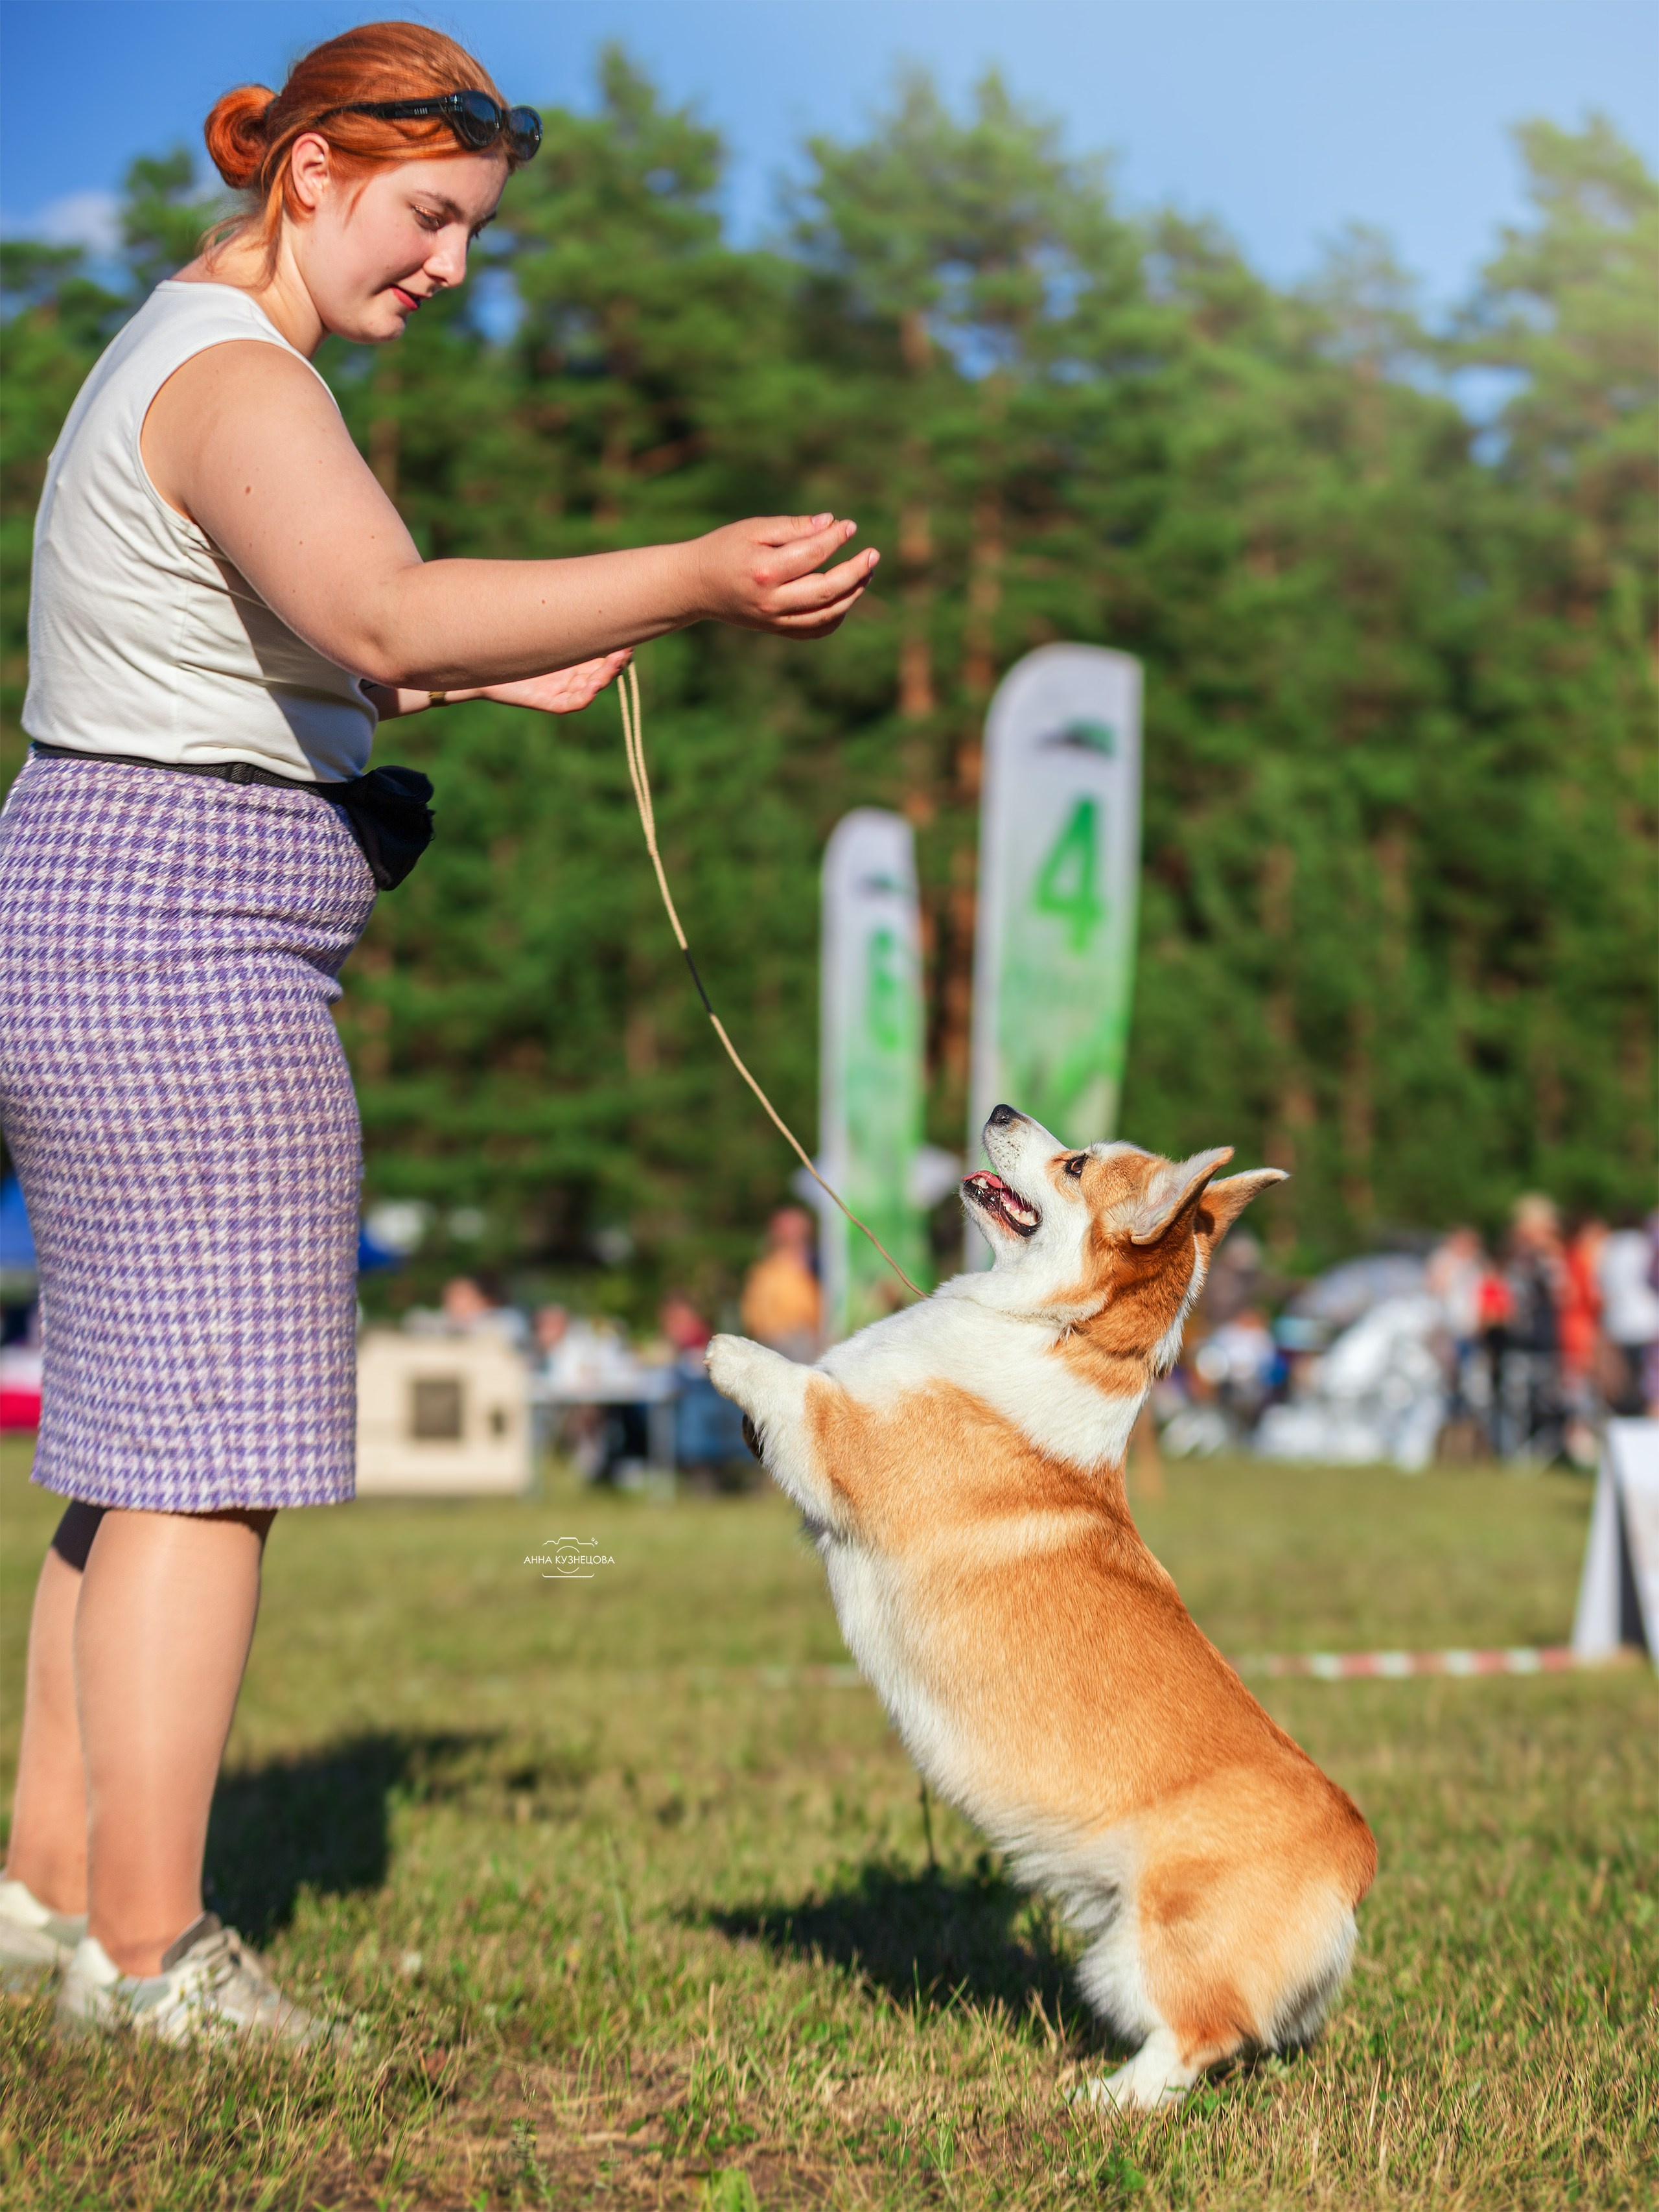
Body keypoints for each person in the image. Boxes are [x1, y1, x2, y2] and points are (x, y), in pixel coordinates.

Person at [0, 22, 877, 2040]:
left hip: (112, 902)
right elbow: (381, 609)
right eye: (426, 218)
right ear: (307, 172)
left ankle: (55, 1900)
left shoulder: (176, 353)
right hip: (180, 939)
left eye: (470, 232)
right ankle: (150, 1958)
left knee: (135, 1451)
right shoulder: (240, 378)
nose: (448, 269)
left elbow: (274, 653)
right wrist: (691, 577)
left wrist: (486, 683)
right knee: (200, 1462)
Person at [740, 1207, 823, 1364]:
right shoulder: (767, 1270)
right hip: (777, 1340)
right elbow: (753, 1314)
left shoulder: (812, 1265)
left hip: (801, 1338)